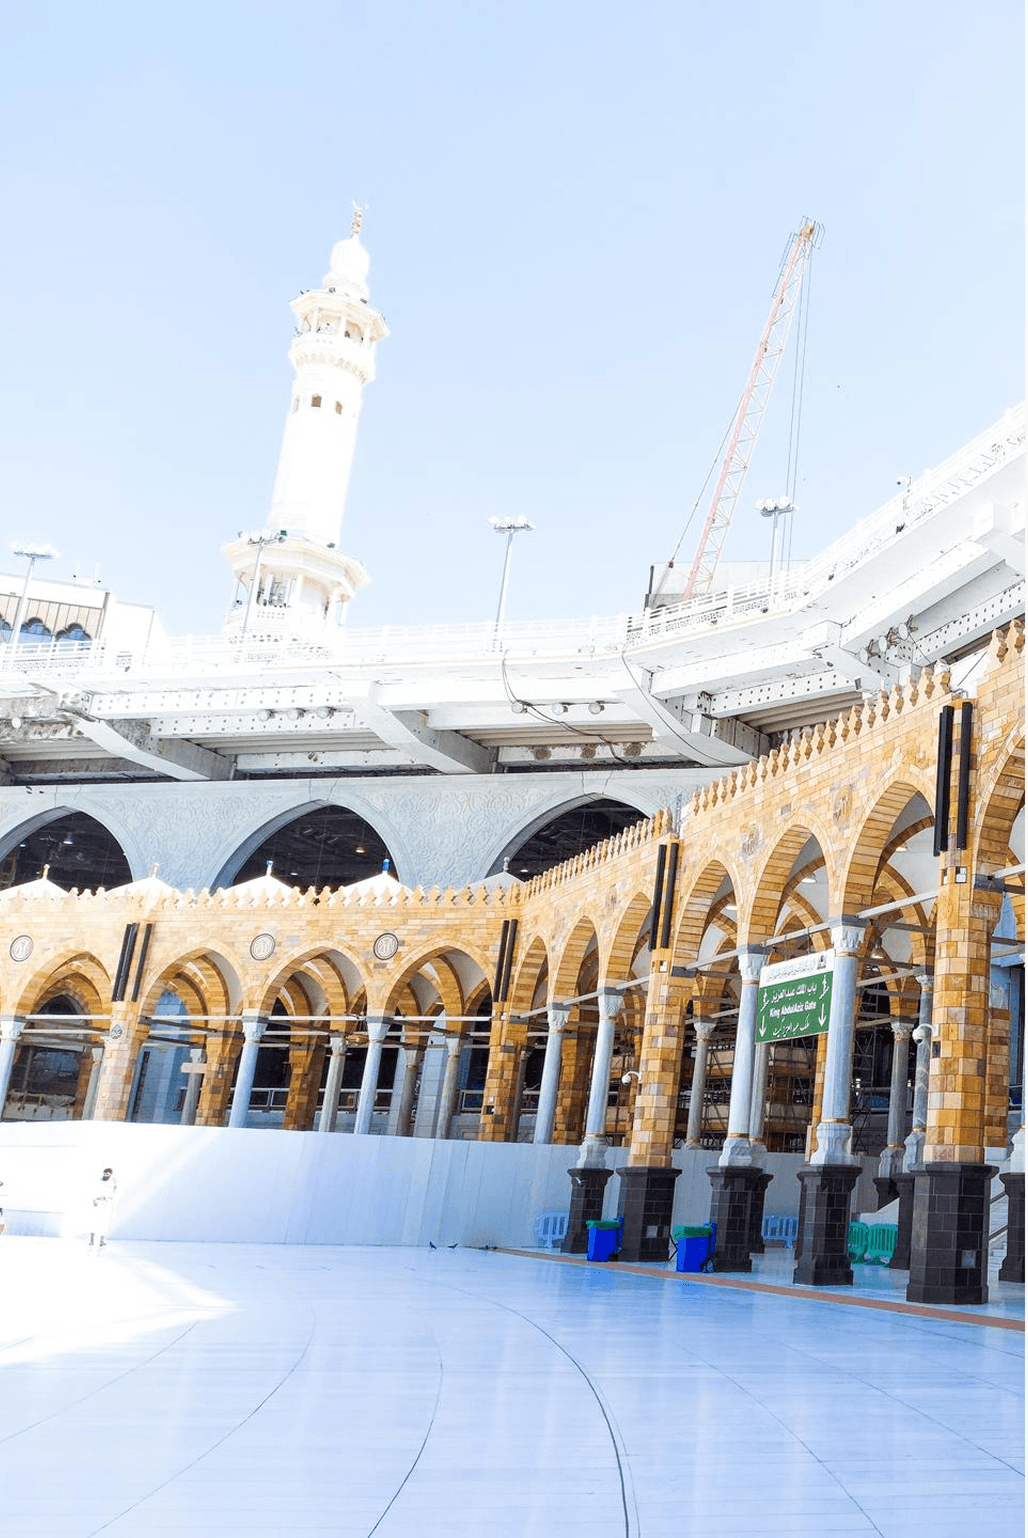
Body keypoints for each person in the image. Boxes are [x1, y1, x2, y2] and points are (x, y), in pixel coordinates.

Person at [89, 1167, 117, 1247]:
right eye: (105, 1173)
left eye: (107, 1174)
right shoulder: (99, 1181)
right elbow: (94, 1191)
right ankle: (91, 1240)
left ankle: (101, 1241)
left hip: (106, 1204)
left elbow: (112, 1194)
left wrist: (106, 1198)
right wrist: (94, 1200)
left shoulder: (112, 1182)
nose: (105, 1175)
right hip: (97, 1204)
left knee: (104, 1222)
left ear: (110, 1174)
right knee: (94, 1221)